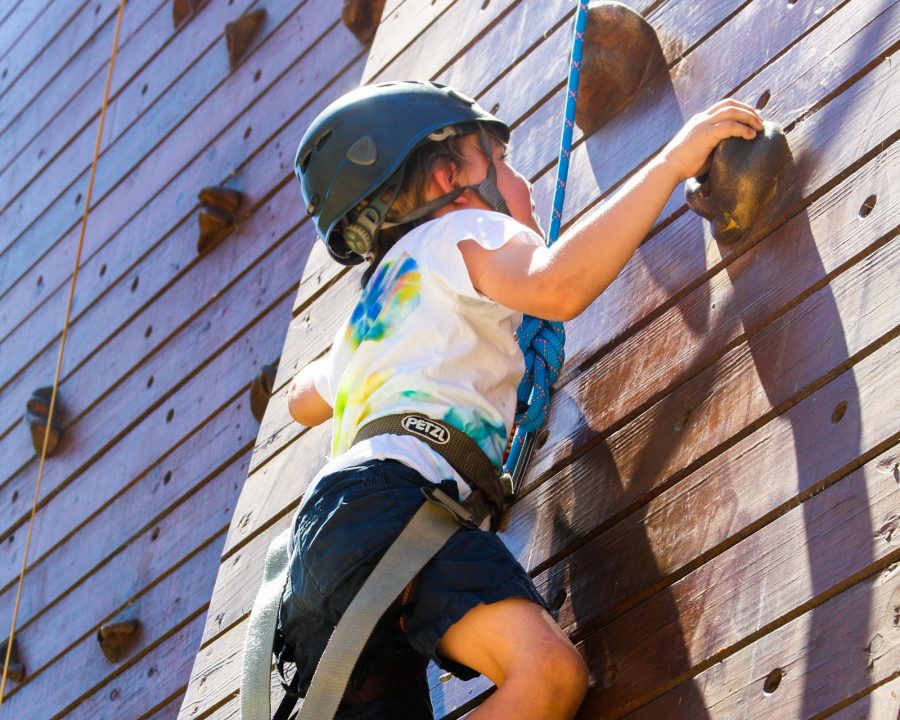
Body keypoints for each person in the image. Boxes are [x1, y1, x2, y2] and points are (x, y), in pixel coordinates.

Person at [279, 81, 764, 720]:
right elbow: (557, 285)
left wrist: (361, 355)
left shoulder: (372, 315)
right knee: (547, 677)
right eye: (502, 162)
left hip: (322, 550)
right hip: (395, 509)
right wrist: (675, 159)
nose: (524, 182)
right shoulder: (466, 230)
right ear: (448, 176)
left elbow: (299, 400)